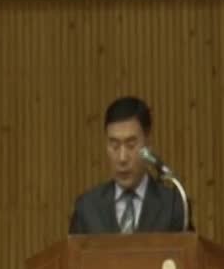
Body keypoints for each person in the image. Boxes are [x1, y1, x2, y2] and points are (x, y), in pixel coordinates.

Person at [68, 96, 189, 234]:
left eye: (131, 145)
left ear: (147, 143)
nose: (122, 158)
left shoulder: (173, 205)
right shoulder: (87, 208)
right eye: (114, 145)